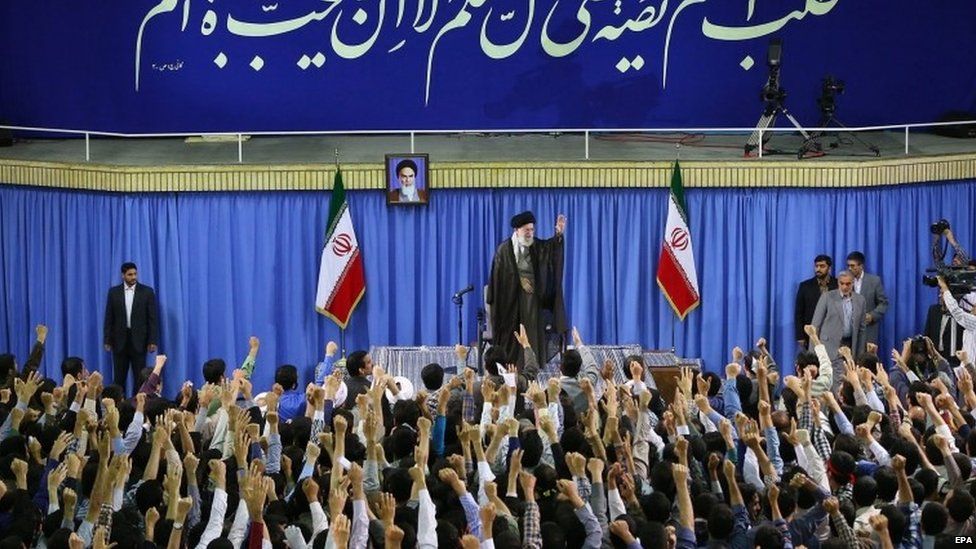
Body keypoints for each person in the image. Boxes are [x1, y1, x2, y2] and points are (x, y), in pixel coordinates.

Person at [487, 210, 568, 364]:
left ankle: (532, 364)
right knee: (513, 335)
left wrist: (558, 235)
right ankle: (513, 364)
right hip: (510, 304)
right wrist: (520, 281)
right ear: (516, 231)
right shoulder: (504, 250)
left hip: (532, 300)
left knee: (532, 330)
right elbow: (499, 278)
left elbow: (549, 249)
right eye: (526, 230)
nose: (530, 233)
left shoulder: (534, 245)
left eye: (532, 230)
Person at [103, 261, 158, 391]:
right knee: (119, 378)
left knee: (140, 377)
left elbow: (152, 319)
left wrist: (152, 340)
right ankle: (117, 406)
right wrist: (107, 339)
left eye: (135, 274)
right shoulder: (113, 293)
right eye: (130, 274)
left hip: (139, 341)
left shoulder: (147, 292)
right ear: (123, 275)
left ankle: (136, 406)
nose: (133, 277)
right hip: (119, 342)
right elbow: (109, 318)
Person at [811, 270, 866, 390]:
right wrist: (812, 354)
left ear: (853, 283)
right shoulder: (827, 297)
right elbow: (815, 326)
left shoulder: (860, 300)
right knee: (834, 381)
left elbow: (861, 329)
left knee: (848, 382)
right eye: (842, 283)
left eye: (848, 284)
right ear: (838, 283)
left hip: (850, 346)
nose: (845, 287)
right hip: (829, 346)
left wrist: (860, 354)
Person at [795, 254, 838, 349]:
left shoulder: (838, 285)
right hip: (811, 332)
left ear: (829, 268)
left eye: (822, 266)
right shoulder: (805, 286)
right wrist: (800, 336)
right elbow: (799, 313)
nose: (818, 269)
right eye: (816, 266)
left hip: (833, 333)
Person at [846, 251, 888, 346]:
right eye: (848, 266)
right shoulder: (845, 281)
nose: (849, 268)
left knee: (866, 359)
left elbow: (883, 303)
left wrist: (872, 316)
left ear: (861, 266)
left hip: (867, 330)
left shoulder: (874, 281)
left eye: (853, 266)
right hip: (848, 332)